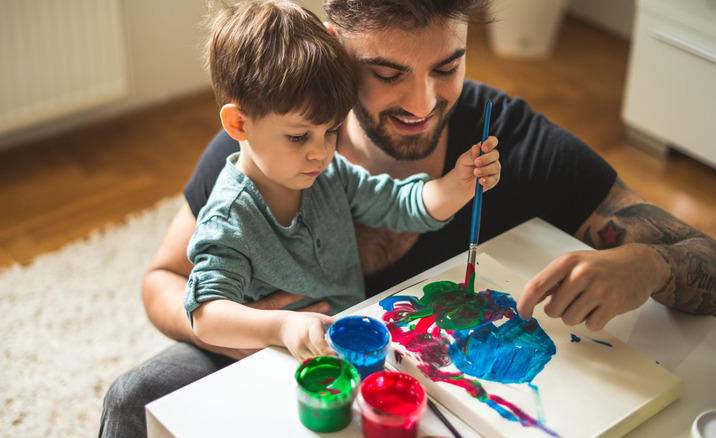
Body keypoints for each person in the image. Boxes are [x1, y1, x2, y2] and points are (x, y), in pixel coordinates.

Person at [99, 1, 716, 436]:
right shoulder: (269, 148)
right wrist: (265, 333)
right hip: (281, 351)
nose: (423, 104)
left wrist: (650, 262)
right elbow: (163, 284)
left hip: (438, 396)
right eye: (388, 73)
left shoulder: (510, 142)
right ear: (336, 51)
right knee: (136, 396)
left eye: (446, 67)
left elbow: (703, 258)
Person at [183, 0, 499, 362]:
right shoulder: (229, 217)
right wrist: (280, 327)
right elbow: (205, 315)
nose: (320, 153)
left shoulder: (331, 174)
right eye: (299, 137)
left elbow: (400, 205)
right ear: (239, 124)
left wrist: (458, 185)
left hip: (347, 349)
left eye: (331, 131)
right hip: (272, 360)